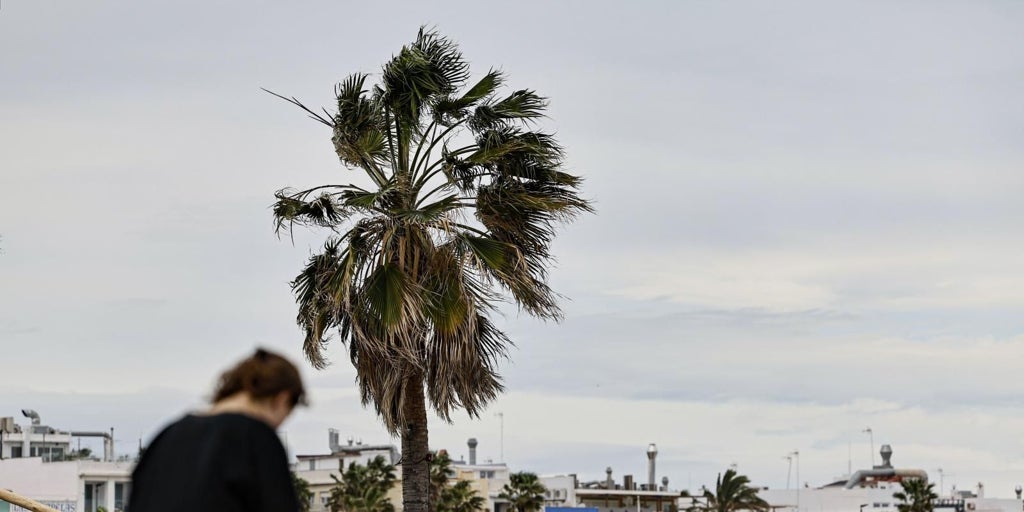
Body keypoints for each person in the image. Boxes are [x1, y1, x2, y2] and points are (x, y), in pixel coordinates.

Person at [128, 348, 307, 512]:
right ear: (282, 399)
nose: (276, 427)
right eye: (283, 418)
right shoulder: (256, 438)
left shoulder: (166, 436)